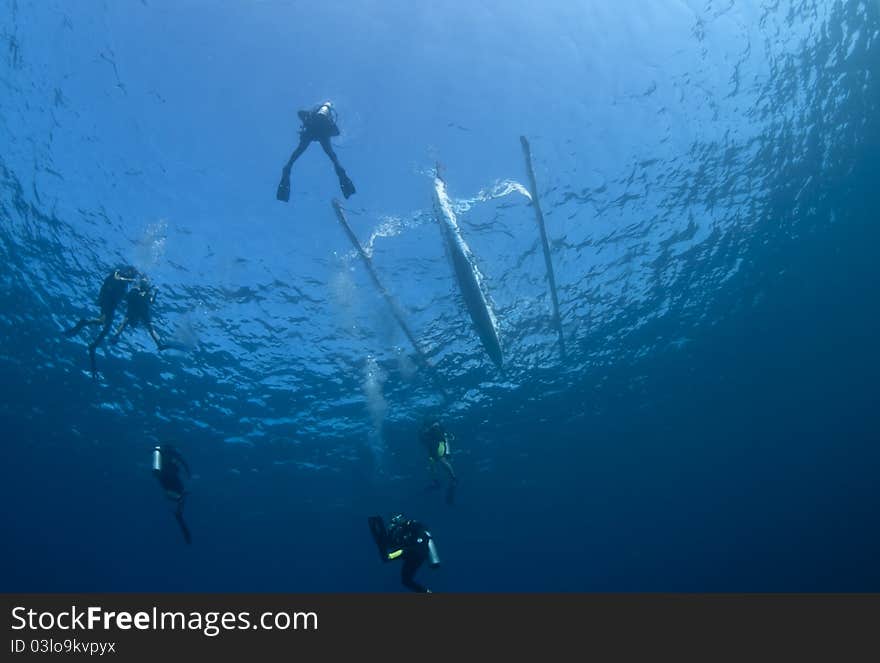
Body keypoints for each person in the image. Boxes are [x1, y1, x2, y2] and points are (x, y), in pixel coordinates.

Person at [63, 265, 140, 378]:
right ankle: (84, 327)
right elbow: (115, 279)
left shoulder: (126, 284)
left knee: (105, 327)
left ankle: (92, 343)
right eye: (133, 273)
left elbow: (123, 298)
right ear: (129, 271)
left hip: (112, 305)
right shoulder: (118, 273)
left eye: (134, 275)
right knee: (103, 322)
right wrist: (130, 280)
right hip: (107, 301)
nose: (133, 276)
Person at [276, 100, 356, 202]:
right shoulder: (328, 117)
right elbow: (337, 132)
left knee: (296, 154)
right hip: (322, 134)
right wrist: (326, 131)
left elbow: (299, 113)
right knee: (333, 157)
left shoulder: (313, 113)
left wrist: (308, 121)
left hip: (311, 131)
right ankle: (343, 177)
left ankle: (287, 169)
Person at [368, 513, 440, 593]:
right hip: (415, 557)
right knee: (405, 581)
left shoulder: (410, 526)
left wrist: (379, 525)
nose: (391, 527)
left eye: (392, 524)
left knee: (387, 558)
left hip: (413, 552)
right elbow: (386, 543)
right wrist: (377, 529)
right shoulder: (400, 535)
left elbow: (420, 536)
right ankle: (427, 592)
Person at [110, 277, 171, 351]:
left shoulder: (140, 292)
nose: (145, 284)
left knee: (127, 323)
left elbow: (125, 299)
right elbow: (151, 302)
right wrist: (155, 292)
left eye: (145, 282)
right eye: (143, 283)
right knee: (149, 328)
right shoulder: (138, 291)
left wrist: (155, 293)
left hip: (137, 310)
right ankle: (159, 344)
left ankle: (116, 336)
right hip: (139, 310)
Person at [152, 444, 192, 544]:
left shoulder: (160, 453)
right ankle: (179, 507)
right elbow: (183, 462)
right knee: (180, 491)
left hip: (164, 477)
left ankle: (178, 503)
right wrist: (188, 472)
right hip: (173, 477)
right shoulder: (172, 453)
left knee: (169, 491)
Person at [420, 419, 458, 505]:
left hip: (438, 448)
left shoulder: (438, 430)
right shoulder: (428, 432)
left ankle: (453, 478)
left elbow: (449, 438)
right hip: (432, 450)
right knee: (433, 465)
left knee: (442, 460)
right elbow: (424, 441)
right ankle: (437, 481)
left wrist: (448, 452)